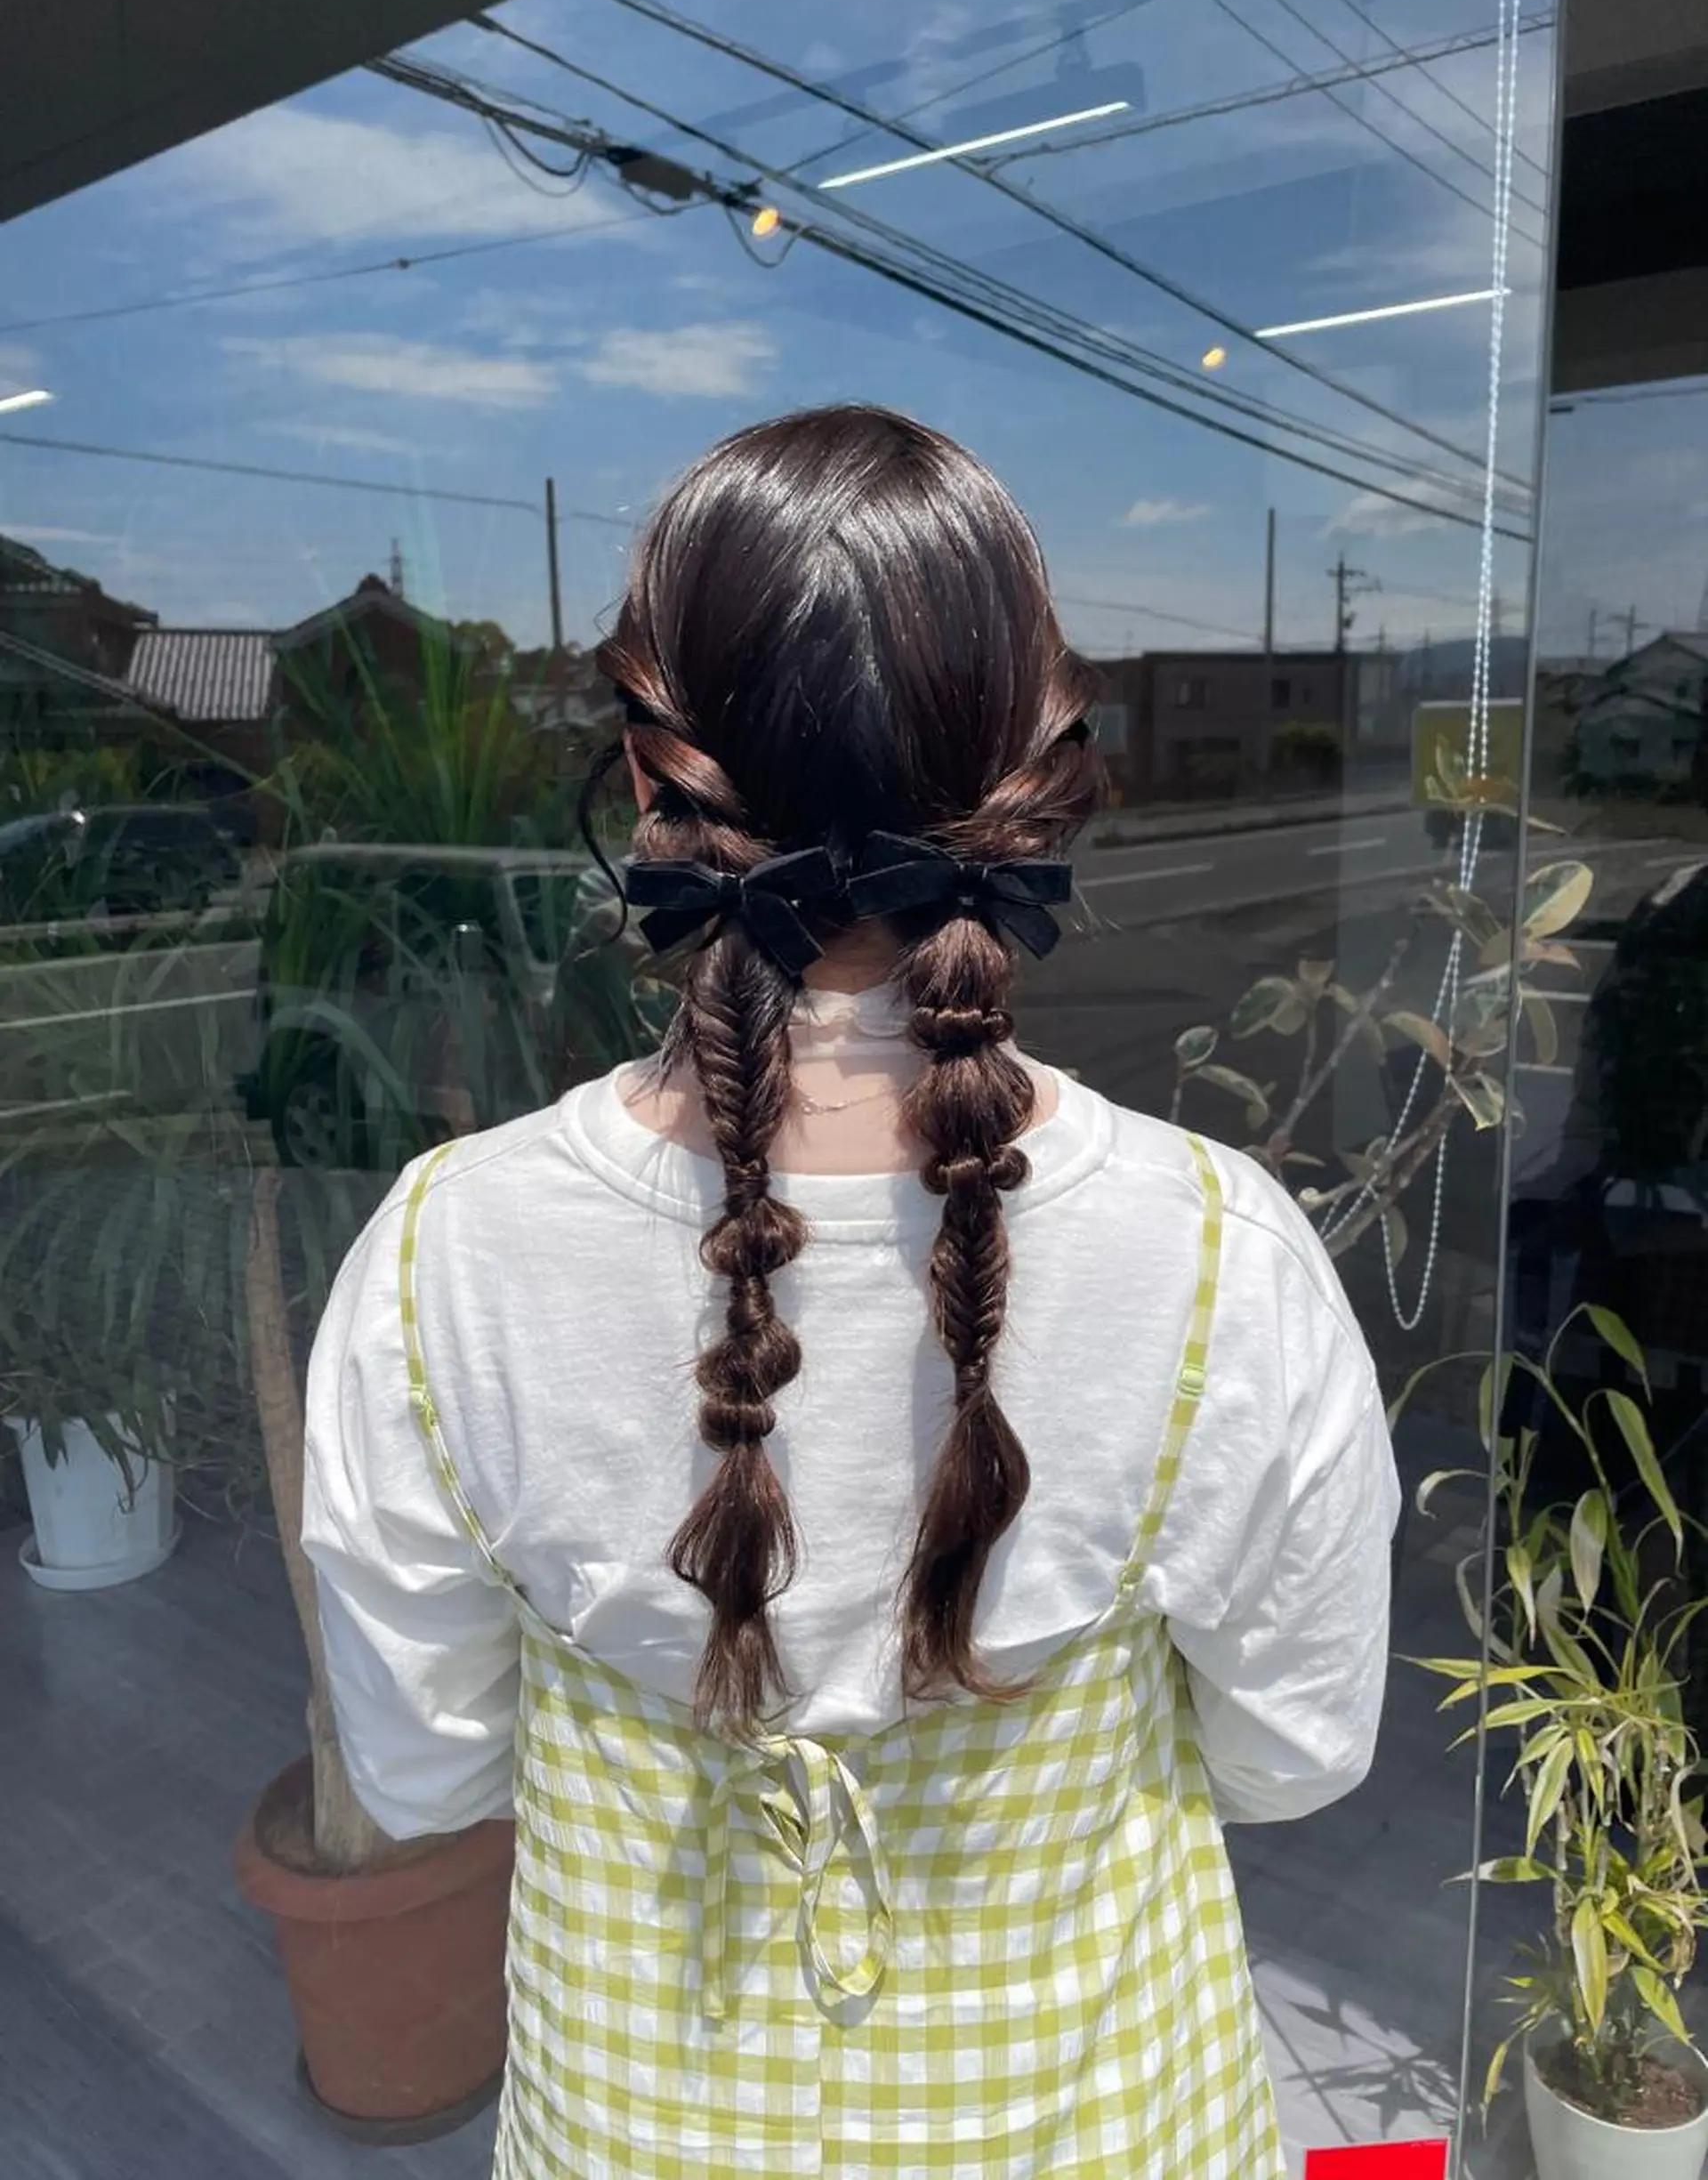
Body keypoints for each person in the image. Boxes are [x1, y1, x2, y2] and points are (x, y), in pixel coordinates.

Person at [303, 404, 1399, 2177]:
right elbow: (1295, 1751)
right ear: (1034, 786)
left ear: (657, 789)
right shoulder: (1223, 1256)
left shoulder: (443, 1257)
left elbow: (428, 1773)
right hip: (1104, 2121)